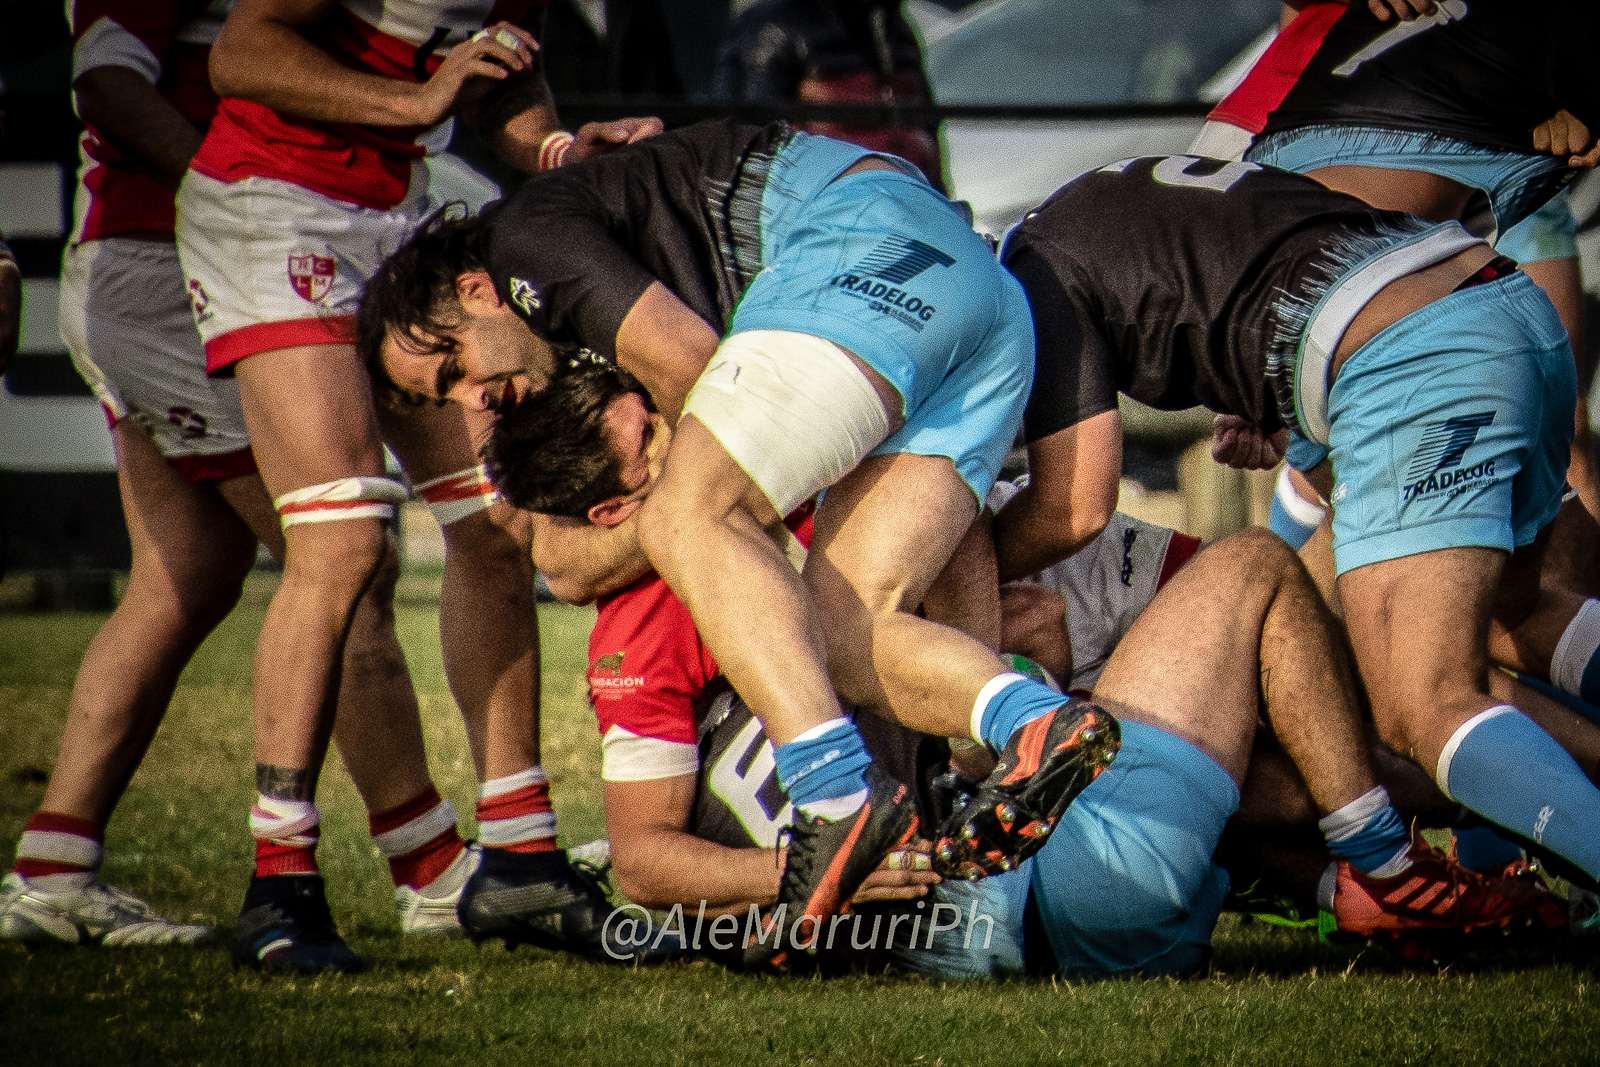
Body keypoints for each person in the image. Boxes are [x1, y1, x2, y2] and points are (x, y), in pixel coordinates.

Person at [481, 365, 1566, 975]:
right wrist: (821, 866)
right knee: (1259, 576)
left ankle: (1352, 885)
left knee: (1289, 714)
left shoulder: (706, 551)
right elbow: (643, 859)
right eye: (656, 440)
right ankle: (1385, 864)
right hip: (1065, 870)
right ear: (620, 508)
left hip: (1023, 916)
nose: (693, 428)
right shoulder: (677, 598)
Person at [359, 121, 1115, 963]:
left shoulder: (519, 241)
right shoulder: (583, 242)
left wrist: (659, 520)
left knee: (691, 515)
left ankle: (833, 799)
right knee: (849, 633)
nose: (473, 399)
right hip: (974, 294)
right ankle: (1033, 722)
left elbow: (689, 366)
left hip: (868, 246)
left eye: (452, 365)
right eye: (446, 395)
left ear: (475, 290)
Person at [173, 0, 658, 971]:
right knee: (343, 539)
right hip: (274, 201)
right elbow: (243, 49)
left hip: (396, 204)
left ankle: (517, 850)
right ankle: (280, 879)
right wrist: (415, 98)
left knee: (494, 521)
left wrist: (557, 149)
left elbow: (497, 81)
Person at [1, 0, 474, 960]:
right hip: (167, 262)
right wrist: (226, 189)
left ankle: (52, 875)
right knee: (343, 557)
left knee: (183, 579)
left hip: (155, 260)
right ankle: (427, 870)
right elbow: (106, 78)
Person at [996, 154, 1600, 902]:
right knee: (1508, 615)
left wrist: (942, 571)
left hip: (1411, 360)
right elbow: (1240, 264)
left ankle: (1406, 861)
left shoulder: (1032, 268)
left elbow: (1073, 506)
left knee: (1422, 703)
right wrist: (1254, 384)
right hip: (1500, 303)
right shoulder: (1094, 198)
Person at [713, 0, 944, 190]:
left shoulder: (897, 31)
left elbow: (928, 130)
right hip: (829, 211)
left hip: (910, 203)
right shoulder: (771, 27)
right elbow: (749, 142)